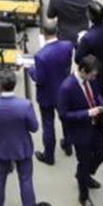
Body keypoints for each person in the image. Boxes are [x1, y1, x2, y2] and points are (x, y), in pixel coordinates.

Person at [56, 54, 103, 206]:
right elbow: (64, 115)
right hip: (80, 131)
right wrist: (88, 113)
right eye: (92, 74)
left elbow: (96, 95)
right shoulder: (67, 88)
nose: (94, 77)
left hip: (97, 126)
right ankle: (84, 196)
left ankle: (84, 175)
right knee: (84, 162)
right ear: (82, 70)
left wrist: (102, 105)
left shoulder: (91, 80)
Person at [0, 69, 38, 206]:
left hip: (1, 146)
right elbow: (34, 127)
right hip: (22, 147)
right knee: (26, 179)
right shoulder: (25, 105)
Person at [29, 20, 74, 165]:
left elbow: (39, 79)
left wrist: (31, 70)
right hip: (64, 90)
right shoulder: (68, 46)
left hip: (47, 93)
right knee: (65, 119)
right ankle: (68, 145)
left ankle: (49, 156)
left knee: (48, 124)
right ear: (57, 31)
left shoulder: (40, 56)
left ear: (43, 33)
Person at [77, 2, 103, 88]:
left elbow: (78, 59)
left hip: (93, 72)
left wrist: (80, 43)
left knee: (97, 93)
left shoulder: (87, 39)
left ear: (89, 16)